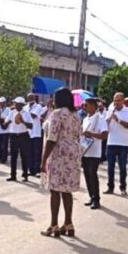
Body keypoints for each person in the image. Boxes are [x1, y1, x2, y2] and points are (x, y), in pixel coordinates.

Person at [40, 87, 82, 237]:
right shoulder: (76, 115)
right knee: (67, 190)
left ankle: (54, 225)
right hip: (74, 153)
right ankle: (69, 223)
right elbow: (78, 135)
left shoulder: (57, 114)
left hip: (59, 153)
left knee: (55, 189)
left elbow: (52, 138)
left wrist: (44, 159)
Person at [104, 93, 128, 196]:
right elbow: (105, 125)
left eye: (118, 100)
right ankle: (110, 187)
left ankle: (123, 187)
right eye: (115, 100)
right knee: (110, 167)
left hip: (123, 143)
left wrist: (118, 120)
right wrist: (108, 120)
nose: (116, 102)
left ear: (123, 101)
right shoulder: (110, 109)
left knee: (122, 167)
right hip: (111, 142)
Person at [81, 98, 108, 210]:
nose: (84, 107)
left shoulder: (100, 118)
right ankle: (91, 196)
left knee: (93, 175)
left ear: (93, 106)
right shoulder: (85, 119)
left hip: (95, 152)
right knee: (87, 175)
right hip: (85, 151)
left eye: (86, 105)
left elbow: (104, 135)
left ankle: (96, 199)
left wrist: (91, 134)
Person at [3, 97, 33, 182]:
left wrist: (23, 121)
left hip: (23, 135)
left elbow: (31, 126)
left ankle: (25, 175)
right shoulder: (11, 113)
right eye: (14, 103)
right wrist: (6, 122)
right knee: (13, 156)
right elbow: (5, 125)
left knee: (24, 156)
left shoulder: (26, 113)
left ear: (21, 105)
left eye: (16, 103)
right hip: (13, 136)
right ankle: (13, 175)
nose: (15, 105)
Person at [25, 93, 43, 177]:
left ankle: (37, 170)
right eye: (28, 98)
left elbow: (33, 115)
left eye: (31, 97)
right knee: (29, 152)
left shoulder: (38, 106)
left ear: (34, 98)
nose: (29, 99)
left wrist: (24, 113)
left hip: (36, 133)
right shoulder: (25, 107)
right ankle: (31, 170)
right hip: (28, 133)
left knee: (36, 152)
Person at [0, 97, 10, 164]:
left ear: (5, 103)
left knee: (4, 145)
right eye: (0, 103)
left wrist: (2, 119)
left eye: (2, 103)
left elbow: (9, 119)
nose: (1, 104)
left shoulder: (8, 110)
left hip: (5, 130)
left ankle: (4, 158)